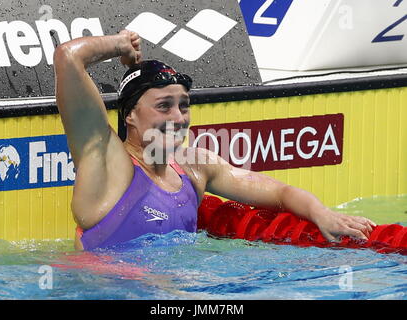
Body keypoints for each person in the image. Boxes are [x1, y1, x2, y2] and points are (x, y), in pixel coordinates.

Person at [54, 30, 376, 251]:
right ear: (130, 116)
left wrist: (321, 213)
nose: (178, 118)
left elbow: (278, 192)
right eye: (163, 106)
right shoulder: (109, 165)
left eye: (184, 106)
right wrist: (121, 44)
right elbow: (68, 58)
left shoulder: (193, 167)